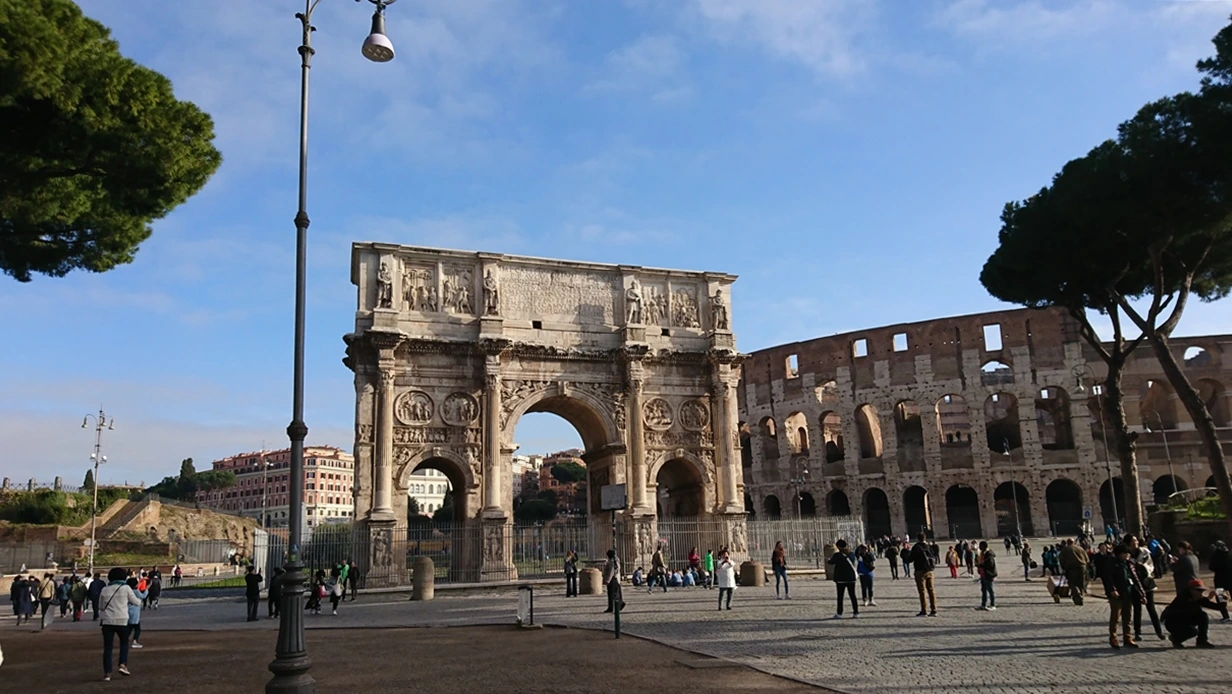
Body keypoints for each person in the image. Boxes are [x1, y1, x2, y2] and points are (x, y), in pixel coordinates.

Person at [99, 567, 141, 681]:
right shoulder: (125, 588)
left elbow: (101, 607)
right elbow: (136, 602)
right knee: (124, 643)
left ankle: (107, 673)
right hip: (122, 620)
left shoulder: (104, 590)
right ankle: (122, 664)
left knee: (108, 647)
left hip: (107, 621)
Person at [1162, 579, 1224, 648]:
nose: (1201, 593)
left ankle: (1202, 641)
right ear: (1191, 590)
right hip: (1174, 623)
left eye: (1202, 591)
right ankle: (1176, 639)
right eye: (1198, 590)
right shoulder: (1182, 597)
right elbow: (1190, 607)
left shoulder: (1198, 598)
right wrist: (1208, 598)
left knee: (1203, 615)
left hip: (1186, 620)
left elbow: (1220, 607)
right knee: (1193, 631)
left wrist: (1221, 596)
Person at [1103, 544, 1143, 649]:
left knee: (1127, 617)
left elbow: (1135, 578)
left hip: (1128, 593)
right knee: (1115, 617)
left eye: (1128, 553)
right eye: (1125, 553)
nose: (1127, 555)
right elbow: (1108, 577)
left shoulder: (1129, 564)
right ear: (1119, 554)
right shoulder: (1112, 563)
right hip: (1117, 594)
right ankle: (1113, 638)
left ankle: (1127, 638)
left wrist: (1141, 593)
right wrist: (1112, 589)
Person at [1127, 535, 1165, 641]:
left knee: (1151, 608)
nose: (1135, 543)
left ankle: (1159, 631)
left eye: (1136, 540)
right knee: (1137, 609)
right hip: (1135, 584)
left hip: (1147, 581)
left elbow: (1151, 565)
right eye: (1133, 541)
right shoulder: (1127, 554)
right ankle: (1137, 632)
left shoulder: (1144, 552)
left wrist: (1143, 567)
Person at [828, 539, 858, 619]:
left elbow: (831, 562)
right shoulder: (851, 554)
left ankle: (839, 613)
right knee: (852, 596)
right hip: (851, 578)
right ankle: (855, 612)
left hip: (841, 578)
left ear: (838, 547)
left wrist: (828, 560)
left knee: (840, 597)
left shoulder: (837, 555)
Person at [911, 533, 937, 617]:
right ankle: (933, 609)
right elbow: (934, 556)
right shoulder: (928, 546)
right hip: (929, 570)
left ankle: (924, 610)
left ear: (917, 538)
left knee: (922, 591)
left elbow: (910, 558)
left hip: (919, 570)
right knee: (931, 590)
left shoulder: (916, 547)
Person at [1058, 538, 1088, 605]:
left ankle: (1077, 594)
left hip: (1071, 568)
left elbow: (1061, 559)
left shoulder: (1065, 549)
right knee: (1081, 583)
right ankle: (1081, 596)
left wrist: (1063, 567)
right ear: (1074, 542)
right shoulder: (1080, 548)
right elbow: (1086, 559)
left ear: (1067, 543)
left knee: (1071, 583)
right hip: (1082, 567)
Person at [124, 577, 148, 649]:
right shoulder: (136, 591)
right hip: (135, 612)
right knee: (137, 629)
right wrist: (147, 589)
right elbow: (143, 596)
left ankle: (125, 640)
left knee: (129, 628)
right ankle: (134, 641)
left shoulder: (127, 591)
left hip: (127, 610)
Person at [602, 549, 625, 614]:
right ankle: (617, 605)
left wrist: (608, 580)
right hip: (616, 578)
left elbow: (611, 571)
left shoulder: (612, 562)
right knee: (615, 593)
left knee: (611, 594)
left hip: (612, 579)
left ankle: (612, 606)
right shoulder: (615, 561)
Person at [976, 541, 997, 611]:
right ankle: (983, 604)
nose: (979, 547)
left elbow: (990, 565)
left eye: (980, 546)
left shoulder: (989, 554)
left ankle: (993, 605)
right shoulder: (982, 553)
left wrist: (981, 565)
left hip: (988, 574)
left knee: (990, 590)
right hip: (983, 574)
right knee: (983, 590)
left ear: (984, 546)